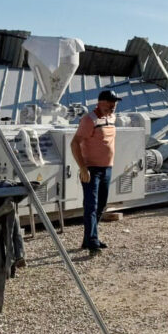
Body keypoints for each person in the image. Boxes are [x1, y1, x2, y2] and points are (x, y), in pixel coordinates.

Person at [71, 89, 121, 255]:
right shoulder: (89, 120)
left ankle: (88, 239)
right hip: (91, 169)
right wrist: (83, 167)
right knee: (91, 205)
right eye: (109, 104)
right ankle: (93, 241)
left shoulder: (112, 117)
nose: (112, 107)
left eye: (114, 104)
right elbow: (75, 143)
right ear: (100, 103)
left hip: (107, 168)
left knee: (101, 204)